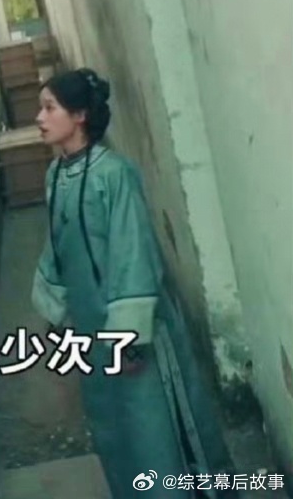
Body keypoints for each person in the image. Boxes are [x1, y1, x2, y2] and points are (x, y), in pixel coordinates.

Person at [32, 67, 235, 498]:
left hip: (130, 334)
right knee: (112, 427)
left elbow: (133, 255)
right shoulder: (55, 176)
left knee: (153, 430)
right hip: (89, 332)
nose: (39, 118)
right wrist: (56, 307)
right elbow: (57, 245)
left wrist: (127, 338)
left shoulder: (114, 175)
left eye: (49, 108)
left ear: (80, 115)